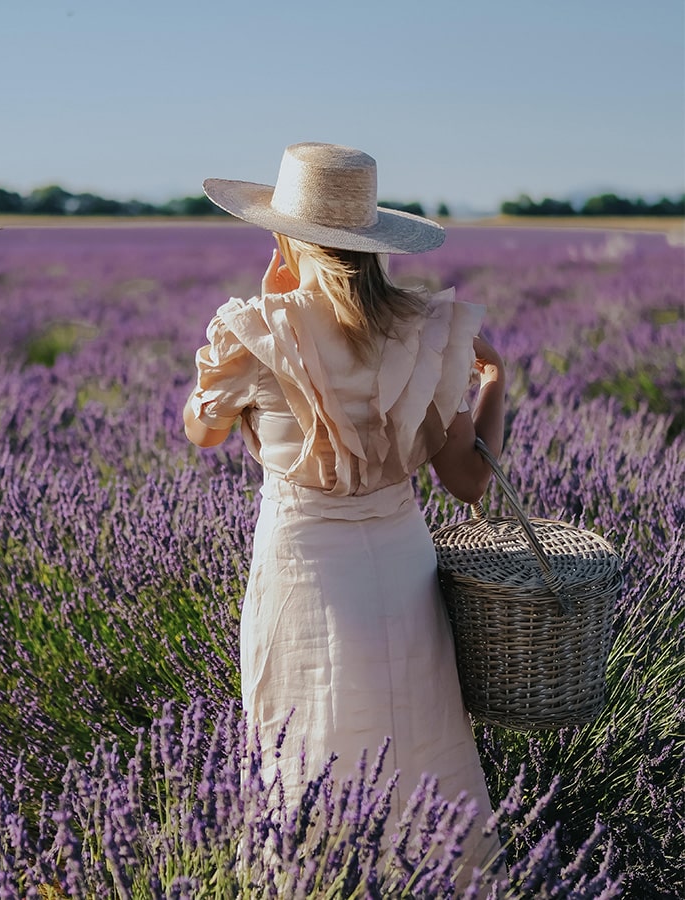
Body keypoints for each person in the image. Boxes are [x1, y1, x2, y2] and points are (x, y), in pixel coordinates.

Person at [183, 142, 506, 883]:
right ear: (372, 244)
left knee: (305, 735)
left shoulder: (255, 328)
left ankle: (315, 881)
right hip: (402, 569)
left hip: (302, 567)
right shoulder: (427, 328)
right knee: (417, 732)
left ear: (287, 238)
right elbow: (468, 481)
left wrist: (268, 309)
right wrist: (494, 378)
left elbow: (201, 431)